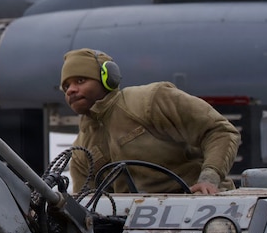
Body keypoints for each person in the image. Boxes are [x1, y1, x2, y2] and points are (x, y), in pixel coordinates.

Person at [60, 48, 239, 195]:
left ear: (108, 78)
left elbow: (219, 131)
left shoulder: (149, 101)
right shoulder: (81, 152)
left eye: (80, 80)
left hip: (201, 206)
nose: (71, 90)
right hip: (132, 221)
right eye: (66, 86)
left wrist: (209, 180)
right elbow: (87, 206)